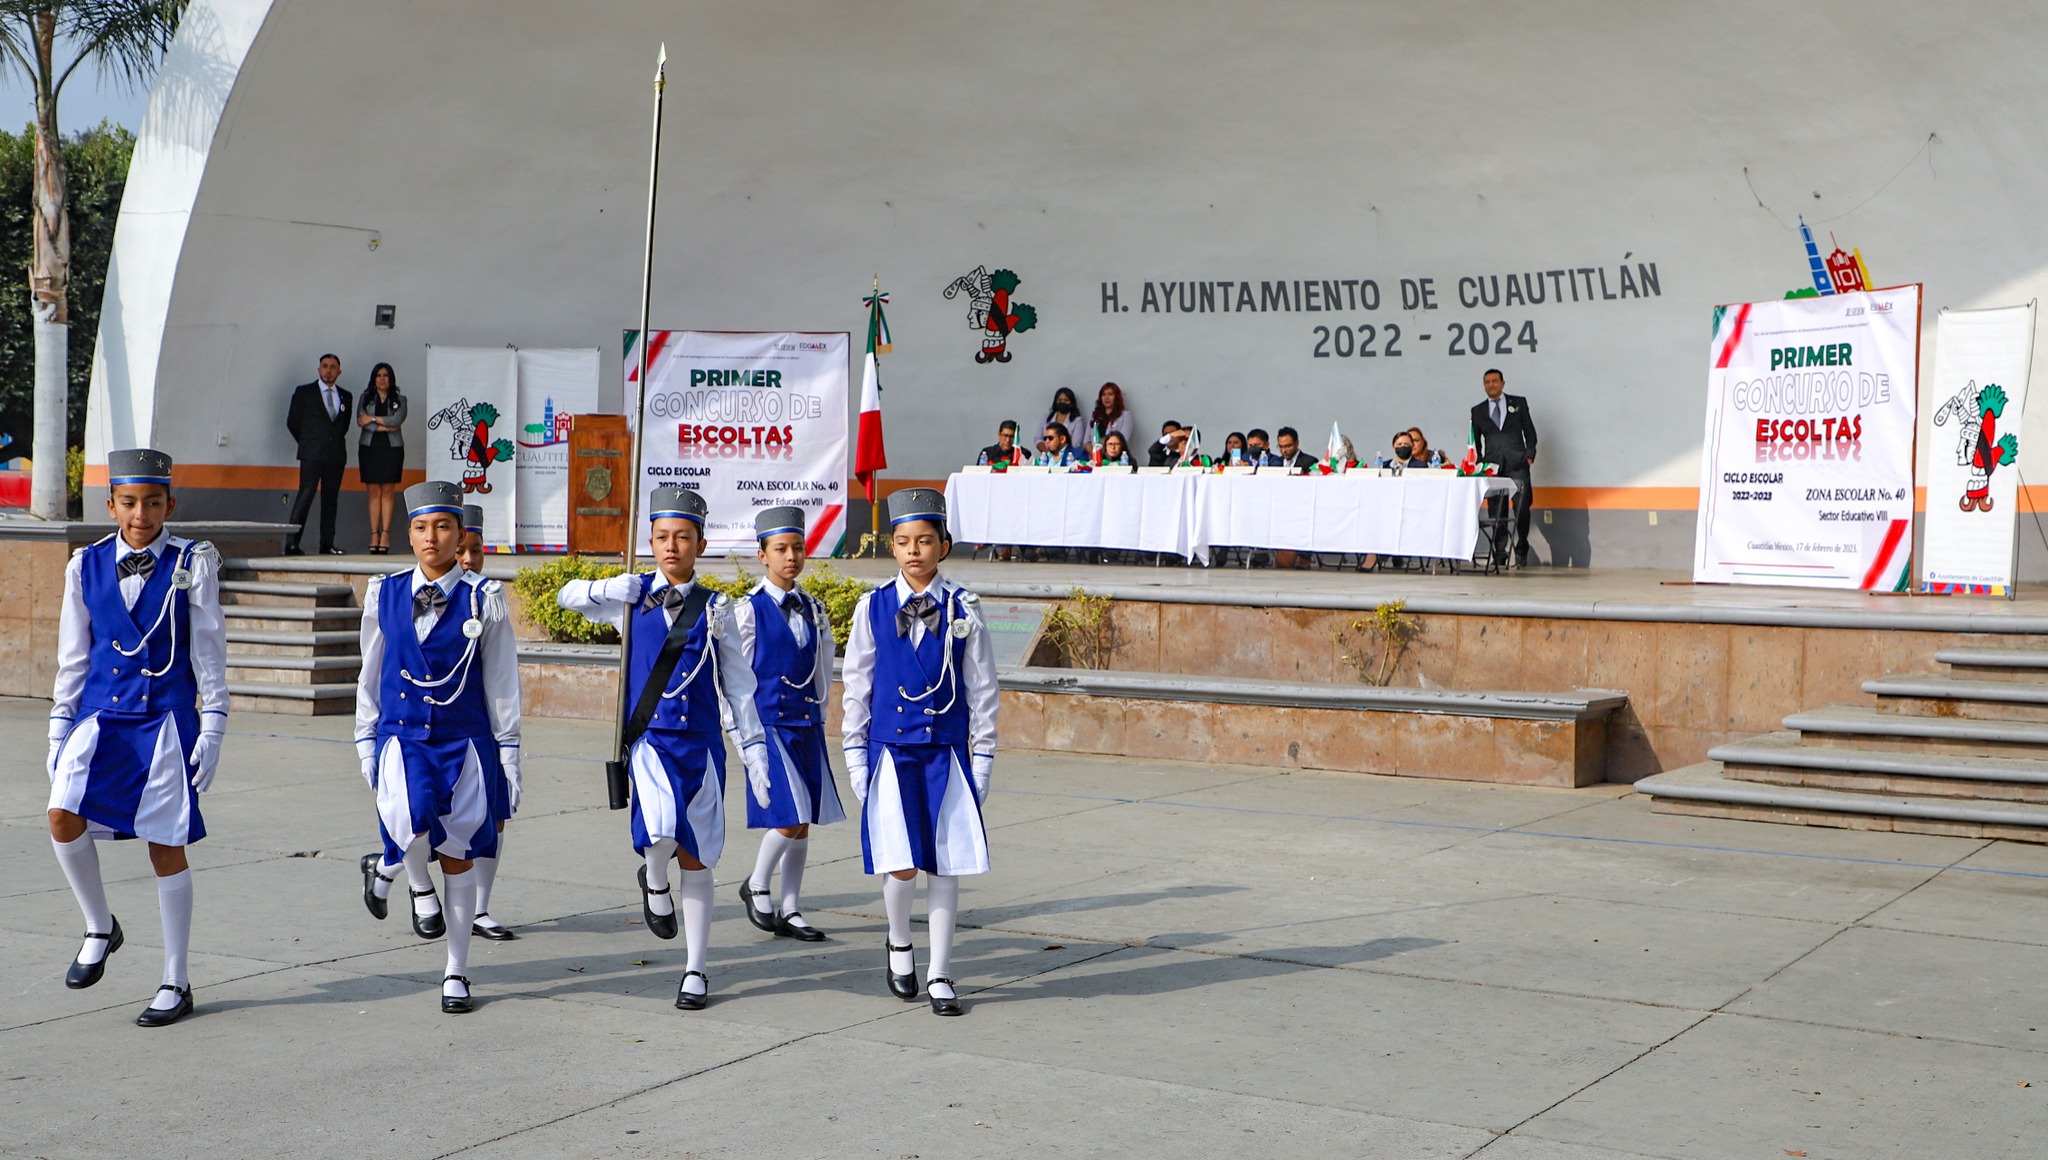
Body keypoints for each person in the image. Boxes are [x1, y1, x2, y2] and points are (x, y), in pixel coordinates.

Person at [555, 486, 769, 1011]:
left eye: (683, 537)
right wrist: (607, 585)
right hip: (649, 742)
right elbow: (567, 597)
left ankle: (696, 968)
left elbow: (738, 685)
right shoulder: (630, 600)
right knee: (659, 830)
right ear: (649, 540)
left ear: (700, 543)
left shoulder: (719, 609)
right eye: (661, 537)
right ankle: (653, 879)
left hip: (700, 748)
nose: (671, 546)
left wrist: (755, 749)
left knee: (697, 859)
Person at [46, 449, 226, 1027]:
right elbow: (73, 658)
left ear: (169, 505)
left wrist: (215, 724)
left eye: (152, 502)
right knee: (60, 813)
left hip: (167, 718)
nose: (141, 514)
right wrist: (58, 726)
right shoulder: (86, 564)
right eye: (129, 503)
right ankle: (100, 924)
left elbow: (209, 651)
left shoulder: (192, 562)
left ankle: (176, 979)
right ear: (111, 505)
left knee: (164, 846)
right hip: (98, 716)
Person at [354, 480, 522, 1013]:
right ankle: (412, 883)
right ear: (410, 533)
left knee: (460, 853)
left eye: (443, 527)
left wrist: (510, 756)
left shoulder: (485, 599)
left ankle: (456, 970)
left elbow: (501, 683)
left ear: (460, 534)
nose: (432, 538)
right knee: (411, 819)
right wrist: (364, 737)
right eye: (422, 528)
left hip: (465, 740)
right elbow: (370, 672)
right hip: (402, 736)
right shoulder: (385, 592)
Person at [841, 487, 998, 1017]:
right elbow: (857, 684)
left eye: (925, 541)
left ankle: (941, 973)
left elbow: (983, 690)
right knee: (900, 864)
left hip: (945, 753)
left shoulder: (964, 607)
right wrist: (856, 757)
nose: (914, 551)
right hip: (892, 752)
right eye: (904, 541)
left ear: (944, 545)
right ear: (893, 546)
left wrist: (983, 760)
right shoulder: (873, 605)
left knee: (945, 865)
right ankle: (899, 942)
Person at [735, 506, 843, 942]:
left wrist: (821, 713)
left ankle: (792, 907)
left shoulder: (813, 608)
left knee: (804, 820)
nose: (791, 557)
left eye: (798, 547)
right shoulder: (747, 610)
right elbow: (738, 675)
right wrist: (744, 735)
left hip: (806, 722)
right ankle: (757, 883)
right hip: (769, 724)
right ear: (762, 554)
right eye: (780, 549)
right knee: (790, 813)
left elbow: (823, 664)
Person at [284, 354, 354, 556]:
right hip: (311, 454)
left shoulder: (346, 396)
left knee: (330, 499)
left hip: (335, 456)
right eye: (325, 366)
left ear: (339, 372)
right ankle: (292, 543)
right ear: (319, 369)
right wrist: (308, 443)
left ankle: (327, 544)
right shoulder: (305, 392)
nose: (328, 370)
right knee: (305, 496)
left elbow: (343, 426)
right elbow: (293, 422)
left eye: (333, 367)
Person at [1471, 368, 1539, 565]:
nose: (1491, 385)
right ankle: (1500, 552)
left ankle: (1522, 547)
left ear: (1502, 383)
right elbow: (1475, 441)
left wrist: (1530, 454)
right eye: (1487, 382)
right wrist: (1480, 463)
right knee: (1497, 511)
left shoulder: (1518, 403)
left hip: (1517, 463)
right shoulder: (1478, 411)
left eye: (1494, 381)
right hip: (1493, 467)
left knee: (1522, 507)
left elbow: (1530, 432)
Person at [356, 362, 407, 555]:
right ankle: (374, 534)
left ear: (391, 378)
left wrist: (374, 419)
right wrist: (385, 425)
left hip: (391, 449)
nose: (382, 378)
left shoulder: (400, 399)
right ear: (374, 378)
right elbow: (361, 421)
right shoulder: (365, 397)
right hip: (370, 448)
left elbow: (398, 420)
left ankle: (385, 534)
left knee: (387, 491)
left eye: (386, 375)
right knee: (373, 493)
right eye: (379, 375)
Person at [1085, 382, 1134, 455]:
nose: (1106, 397)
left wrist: (1103, 442)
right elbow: (1086, 441)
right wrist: (1095, 454)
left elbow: (1123, 440)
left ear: (1116, 397)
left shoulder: (1125, 416)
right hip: (1094, 459)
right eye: (1103, 394)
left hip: (1116, 459)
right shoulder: (1094, 416)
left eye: (1110, 394)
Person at [1038, 388, 1085, 454]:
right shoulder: (1046, 417)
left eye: (1066, 400)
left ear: (1071, 403)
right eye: (1060, 400)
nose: (1062, 402)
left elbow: (1076, 444)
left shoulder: (1077, 421)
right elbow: (1038, 439)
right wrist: (1049, 453)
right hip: (1047, 457)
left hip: (1068, 458)